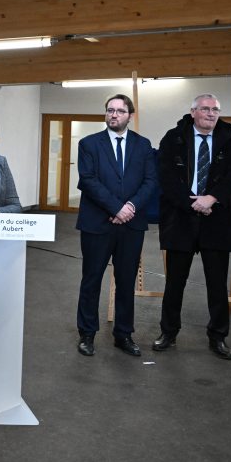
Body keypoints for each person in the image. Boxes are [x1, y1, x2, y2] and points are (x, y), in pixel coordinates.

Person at [154, 94, 231, 360]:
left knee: (217, 285)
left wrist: (211, 198)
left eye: (215, 109)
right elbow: (166, 177)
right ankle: (168, 332)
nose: (210, 113)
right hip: (181, 218)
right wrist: (191, 202)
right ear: (193, 111)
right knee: (175, 282)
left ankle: (218, 336)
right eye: (205, 108)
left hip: (217, 219)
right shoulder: (173, 138)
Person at [74, 94, 157, 358]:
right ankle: (87, 333)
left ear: (130, 116)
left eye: (120, 111)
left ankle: (123, 334)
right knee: (91, 280)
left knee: (126, 280)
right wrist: (116, 208)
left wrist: (129, 207)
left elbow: (150, 181)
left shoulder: (143, 145)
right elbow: (88, 180)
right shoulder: (89, 144)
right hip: (97, 223)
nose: (114, 115)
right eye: (110, 110)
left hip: (131, 225)